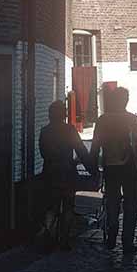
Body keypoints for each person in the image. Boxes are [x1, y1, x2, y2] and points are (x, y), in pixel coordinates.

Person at [90, 87, 137, 253]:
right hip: (131, 168)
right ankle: (127, 242)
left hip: (111, 167)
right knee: (132, 204)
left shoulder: (102, 120)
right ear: (126, 100)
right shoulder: (133, 120)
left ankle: (111, 233)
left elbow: (95, 146)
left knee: (112, 202)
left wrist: (93, 168)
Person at [38, 100, 92, 250]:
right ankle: (65, 240)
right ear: (64, 114)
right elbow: (81, 150)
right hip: (67, 173)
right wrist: (91, 169)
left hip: (49, 172)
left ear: (50, 115)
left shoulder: (45, 131)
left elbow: (43, 153)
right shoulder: (69, 130)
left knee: (51, 207)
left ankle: (48, 235)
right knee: (68, 206)